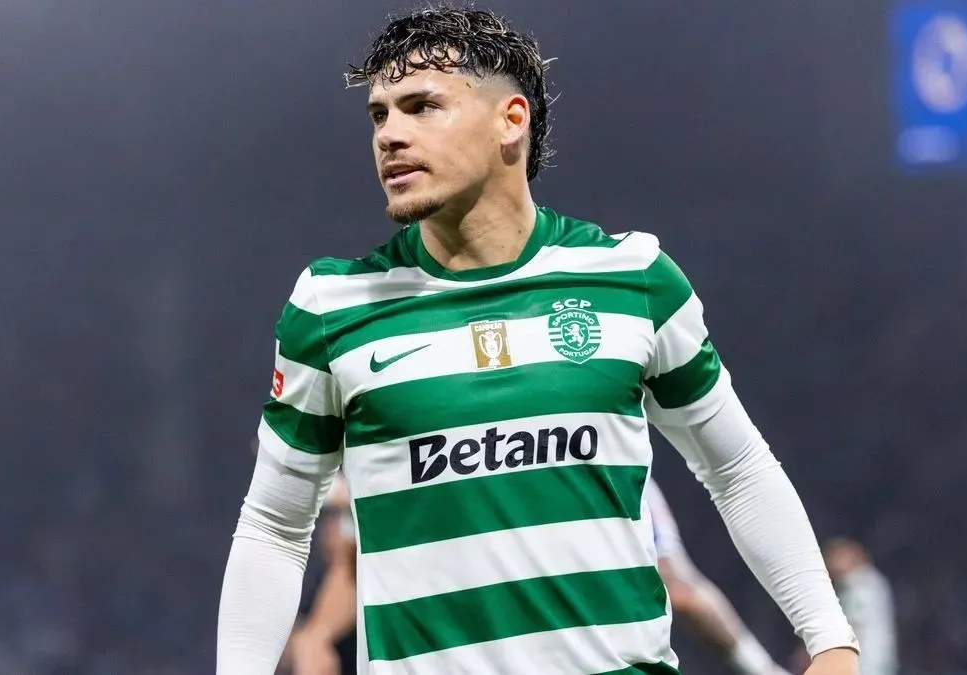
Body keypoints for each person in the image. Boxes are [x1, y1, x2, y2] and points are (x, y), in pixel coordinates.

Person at [217, 7, 859, 674]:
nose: (390, 135)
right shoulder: (333, 306)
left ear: (511, 119)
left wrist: (831, 640)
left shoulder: (631, 278)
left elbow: (737, 469)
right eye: (380, 115)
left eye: (422, 107)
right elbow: (275, 528)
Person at [287, 473, 793, 675]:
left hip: (588, 480)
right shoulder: (373, 475)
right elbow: (350, 569)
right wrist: (317, 636)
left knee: (678, 592)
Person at [822, 538, 898, 675]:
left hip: (866, 659)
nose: (830, 563)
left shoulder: (858, 583)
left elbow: (851, 626)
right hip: (879, 657)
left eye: (835, 557)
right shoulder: (872, 579)